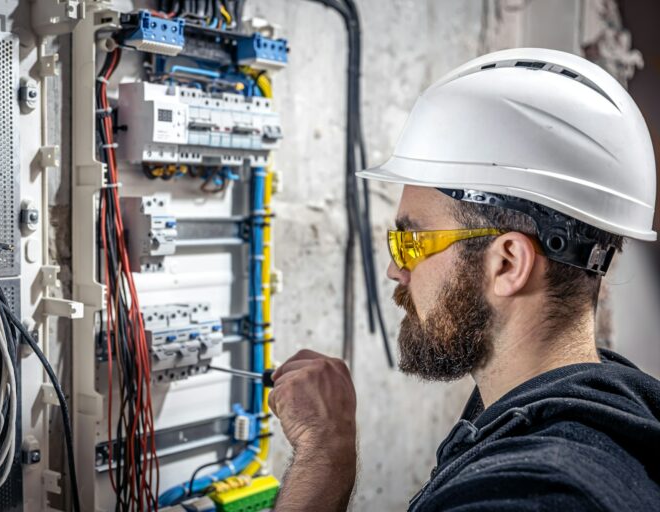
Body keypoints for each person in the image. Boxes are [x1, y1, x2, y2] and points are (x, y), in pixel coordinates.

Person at [268, 48, 660, 511]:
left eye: (411, 243)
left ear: (508, 264)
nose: (396, 269)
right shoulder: (609, 414)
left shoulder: (529, 498)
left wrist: (322, 459)